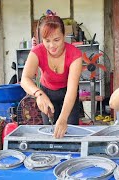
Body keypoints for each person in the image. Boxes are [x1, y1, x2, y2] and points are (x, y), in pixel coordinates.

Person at [20, 10, 82, 138]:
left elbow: (72, 90)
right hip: (46, 93)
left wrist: (64, 118)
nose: (52, 45)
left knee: (70, 131)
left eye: (57, 40)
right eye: (47, 40)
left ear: (64, 36)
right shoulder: (37, 51)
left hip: (68, 94)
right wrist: (39, 94)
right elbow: (25, 79)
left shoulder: (75, 54)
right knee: (50, 131)